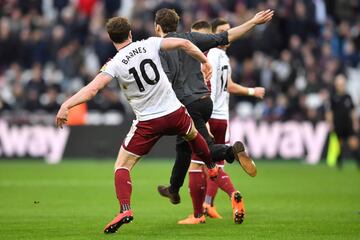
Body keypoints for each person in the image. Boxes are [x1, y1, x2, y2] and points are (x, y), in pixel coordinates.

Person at [55, 16, 219, 234]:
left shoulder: (114, 63)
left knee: (122, 166)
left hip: (148, 122)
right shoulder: (148, 44)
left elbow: (93, 90)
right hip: (173, 112)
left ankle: (125, 209)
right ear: (130, 33)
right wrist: (204, 61)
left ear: (111, 38)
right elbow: (185, 43)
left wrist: (67, 104)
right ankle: (211, 167)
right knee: (192, 134)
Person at [155, 8, 273, 207]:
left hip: (187, 105)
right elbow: (225, 36)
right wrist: (252, 22)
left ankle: (230, 152)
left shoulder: (158, 48)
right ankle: (173, 190)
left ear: (157, 27)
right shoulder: (191, 39)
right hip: (205, 102)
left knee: (205, 150)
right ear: (177, 24)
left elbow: (163, 82)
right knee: (183, 148)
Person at [177, 20, 266, 225]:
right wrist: (252, 91)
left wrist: (202, 119)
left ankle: (198, 214)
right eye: (223, 32)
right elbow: (229, 86)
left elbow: (206, 86)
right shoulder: (224, 58)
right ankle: (211, 203)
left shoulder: (207, 56)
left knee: (196, 165)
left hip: (208, 114)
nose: (227, 36)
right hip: (223, 118)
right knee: (215, 164)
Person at [326, 74, 360, 168]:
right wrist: (330, 123)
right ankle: (339, 163)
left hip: (348, 124)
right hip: (338, 124)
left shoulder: (348, 97)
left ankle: (358, 162)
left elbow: (352, 111)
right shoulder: (334, 98)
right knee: (339, 145)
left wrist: (355, 122)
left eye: (342, 84)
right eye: (339, 85)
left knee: (354, 143)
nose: (341, 87)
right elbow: (330, 112)